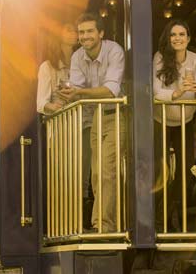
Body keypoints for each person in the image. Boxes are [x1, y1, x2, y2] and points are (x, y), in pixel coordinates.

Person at [59, 12, 126, 233]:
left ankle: (105, 227)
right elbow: (75, 90)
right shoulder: (78, 56)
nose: (85, 36)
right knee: (97, 173)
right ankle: (101, 223)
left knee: (108, 171)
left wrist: (79, 93)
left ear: (101, 33)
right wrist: (72, 93)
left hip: (117, 113)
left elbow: (110, 90)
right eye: (81, 32)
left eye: (89, 31)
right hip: (96, 116)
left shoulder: (114, 50)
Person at [153, 19, 196, 232]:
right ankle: (158, 220)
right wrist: (176, 94)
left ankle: (168, 213)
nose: (177, 38)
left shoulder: (195, 60)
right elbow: (156, 92)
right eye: (173, 35)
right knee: (159, 172)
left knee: (186, 171)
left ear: (188, 38)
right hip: (161, 120)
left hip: (185, 121)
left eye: (181, 34)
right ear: (168, 39)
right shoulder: (160, 58)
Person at [36, 23, 94, 229]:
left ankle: (82, 223)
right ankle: (65, 224)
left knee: (85, 176)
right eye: (69, 29)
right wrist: (57, 106)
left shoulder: (84, 62)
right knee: (65, 177)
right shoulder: (47, 67)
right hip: (62, 129)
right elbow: (41, 104)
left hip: (86, 124)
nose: (75, 34)